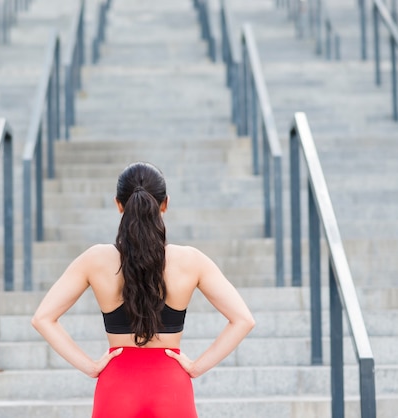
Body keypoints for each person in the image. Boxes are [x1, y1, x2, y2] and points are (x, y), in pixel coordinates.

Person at [31, 161, 255, 418]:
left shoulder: (95, 259)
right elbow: (243, 320)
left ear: (118, 205)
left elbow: (43, 318)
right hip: (171, 388)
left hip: (116, 387)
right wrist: (196, 367)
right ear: (165, 203)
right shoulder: (191, 261)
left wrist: (91, 367)